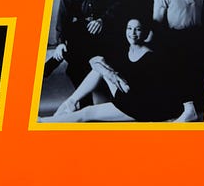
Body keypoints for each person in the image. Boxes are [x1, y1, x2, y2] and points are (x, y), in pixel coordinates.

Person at [49, 18, 183, 122]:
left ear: (145, 33)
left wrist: (114, 75)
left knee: (87, 113)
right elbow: (96, 62)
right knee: (100, 67)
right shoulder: (127, 50)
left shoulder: (150, 56)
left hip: (138, 107)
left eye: (138, 29)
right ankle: (71, 102)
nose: (132, 33)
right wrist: (109, 73)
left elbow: (140, 90)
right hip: (126, 95)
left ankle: (45, 122)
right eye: (129, 28)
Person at [153, 0, 204, 121]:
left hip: (197, 38)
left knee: (198, 72)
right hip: (174, 38)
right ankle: (185, 110)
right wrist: (167, 44)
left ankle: (194, 110)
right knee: (176, 70)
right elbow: (157, 22)